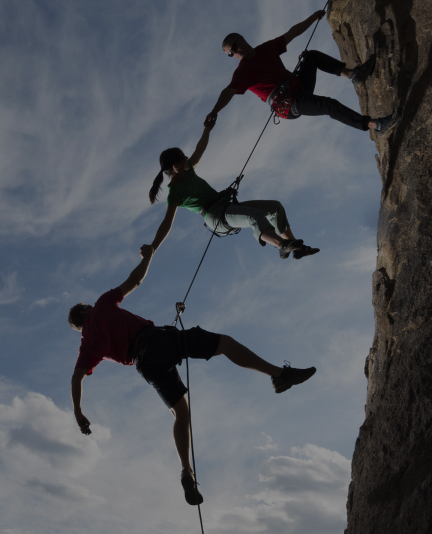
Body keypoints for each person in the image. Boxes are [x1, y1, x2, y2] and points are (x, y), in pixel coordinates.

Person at [68, 244, 316, 506]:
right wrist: (148, 256)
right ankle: (278, 375)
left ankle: (187, 471)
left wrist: (78, 412)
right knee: (224, 344)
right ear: (84, 311)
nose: (90, 305)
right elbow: (135, 280)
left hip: (145, 365)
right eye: (86, 306)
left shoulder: (87, 345)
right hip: (154, 341)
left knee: (181, 413)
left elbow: (76, 377)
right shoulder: (102, 306)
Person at [148, 115, 319, 259]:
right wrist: (153, 247)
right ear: (176, 166)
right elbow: (166, 224)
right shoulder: (174, 193)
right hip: (215, 217)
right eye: (183, 157)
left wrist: (207, 129)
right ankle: (281, 245)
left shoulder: (188, 170)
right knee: (255, 216)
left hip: (226, 207)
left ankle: (296, 248)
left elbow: (200, 149)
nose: (187, 158)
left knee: (275, 208)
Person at [208, 9, 396, 134]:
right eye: (230, 53)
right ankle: (376, 125)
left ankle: (353, 75)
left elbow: (292, 33)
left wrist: (313, 17)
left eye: (233, 47)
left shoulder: (265, 49)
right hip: (289, 103)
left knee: (310, 56)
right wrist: (215, 111)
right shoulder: (242, 72)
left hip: (299, 85)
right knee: (328, 105)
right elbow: (228, 92)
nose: (234, 53)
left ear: (241, 39)